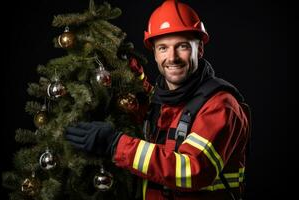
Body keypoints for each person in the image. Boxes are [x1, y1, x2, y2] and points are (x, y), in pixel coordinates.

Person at [65, 0, 251, 199]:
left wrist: (116, 144)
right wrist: (131, 73)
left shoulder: (220, 106)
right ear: (154, 53)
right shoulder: (163, 98)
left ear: (200, 50)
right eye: (163, 48)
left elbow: (192, 170)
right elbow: (154, 108)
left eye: (182, 46)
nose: (172, 57)